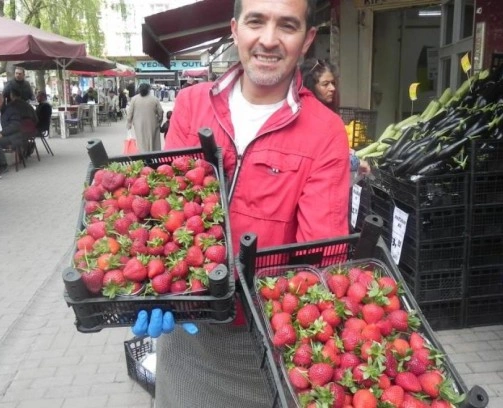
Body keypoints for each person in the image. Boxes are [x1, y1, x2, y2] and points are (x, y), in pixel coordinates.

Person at [132, 0, 349, 406]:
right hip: (186, 333)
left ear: (307, 39)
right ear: (235, 30)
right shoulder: (193, 103)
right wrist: (151, 289)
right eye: (256, 21)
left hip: (260, 344)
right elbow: (166, 202)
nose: (268, 40)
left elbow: (320, 256)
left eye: (287, 25)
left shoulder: (326, 132)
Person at [0, 89, 37, 170]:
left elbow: (15, 125)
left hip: (13, 136)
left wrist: (2, 133)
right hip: (30, 131)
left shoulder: (11, 109)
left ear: (3, 99)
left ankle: (2, 165)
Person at [126, 83, 163, 153]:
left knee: (141, 141)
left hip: (138, 125)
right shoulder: (154, 99)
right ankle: (153, 156)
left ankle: (144, 157)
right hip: (152, 124)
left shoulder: (134, 99)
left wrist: (129, 123)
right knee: (152, 141)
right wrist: (159, 122)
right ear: (149, 90)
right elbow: (160, 112)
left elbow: (130, 113)